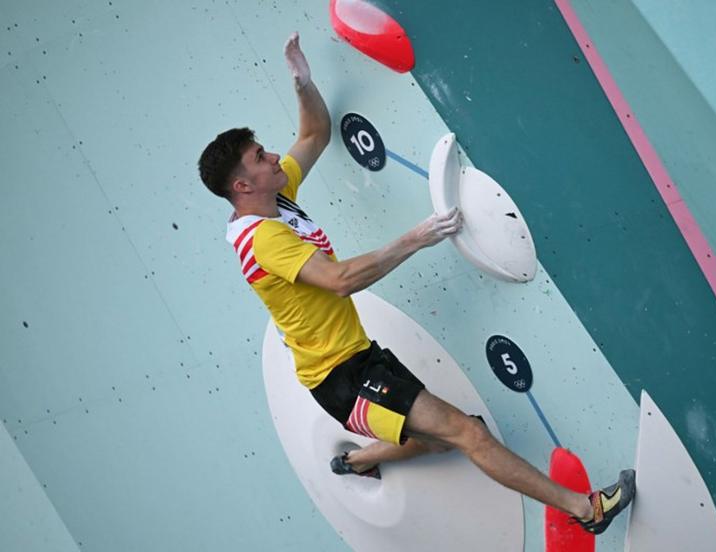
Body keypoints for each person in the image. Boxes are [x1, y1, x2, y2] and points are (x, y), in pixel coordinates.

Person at [198, 32, 634, 534]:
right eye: (260, 157)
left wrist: (302, 83)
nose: (274, 156)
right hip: (342, 379)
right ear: (242, 186)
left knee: (445, 433)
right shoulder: (264, 239)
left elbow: (315, 133)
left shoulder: (276, 197)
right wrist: (418, 237)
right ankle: (588, 510)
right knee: (469, 435)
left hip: (357, 358)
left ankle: (361, 460)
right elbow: (339, 280)